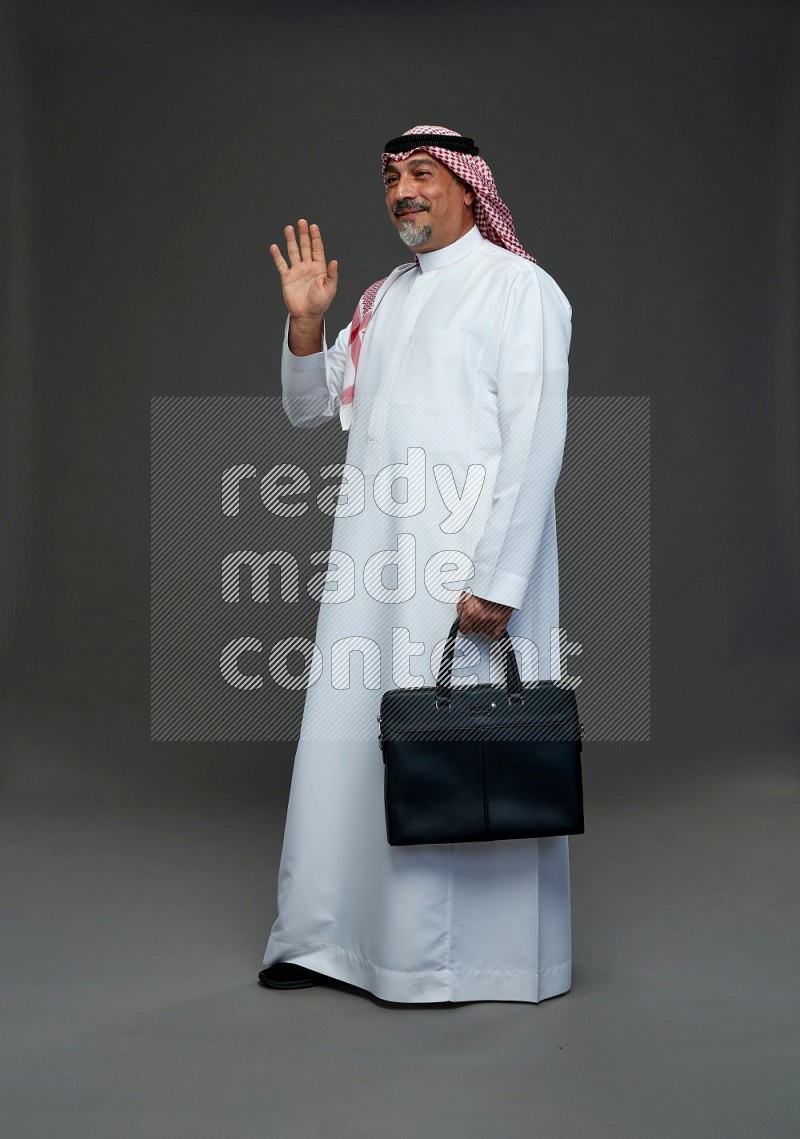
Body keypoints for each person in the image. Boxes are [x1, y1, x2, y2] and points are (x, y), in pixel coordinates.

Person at [259, 125, 574, 1003]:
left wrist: (500, 580)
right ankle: (330, 941)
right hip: (371, 563)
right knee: (354, 745)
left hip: (463, 573)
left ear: (471, 190)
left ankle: (470, 964)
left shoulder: (522, 290)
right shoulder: (382, 299)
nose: (403, 191)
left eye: (423, 175)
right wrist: (307, 322)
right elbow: (308, 411)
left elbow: (537, 439)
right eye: (392, 176)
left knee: (466, 752)